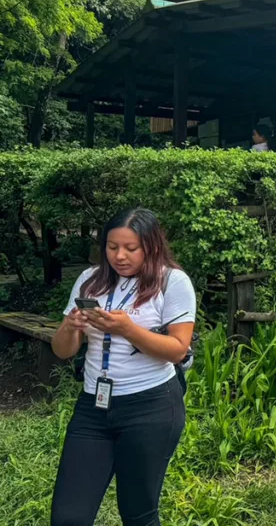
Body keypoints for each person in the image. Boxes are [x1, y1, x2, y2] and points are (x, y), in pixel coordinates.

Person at [49, 208, 196, 526]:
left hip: (151, 407)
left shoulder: (172, 282)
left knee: (138, 514)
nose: (120, 256)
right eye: (112, 247)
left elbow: (177, 349)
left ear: (151, 246)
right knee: (67, 517)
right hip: (93, 407)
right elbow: (62, 351)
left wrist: (127, 329)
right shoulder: (89, 280)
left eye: (131, 248)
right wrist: (71, 327)